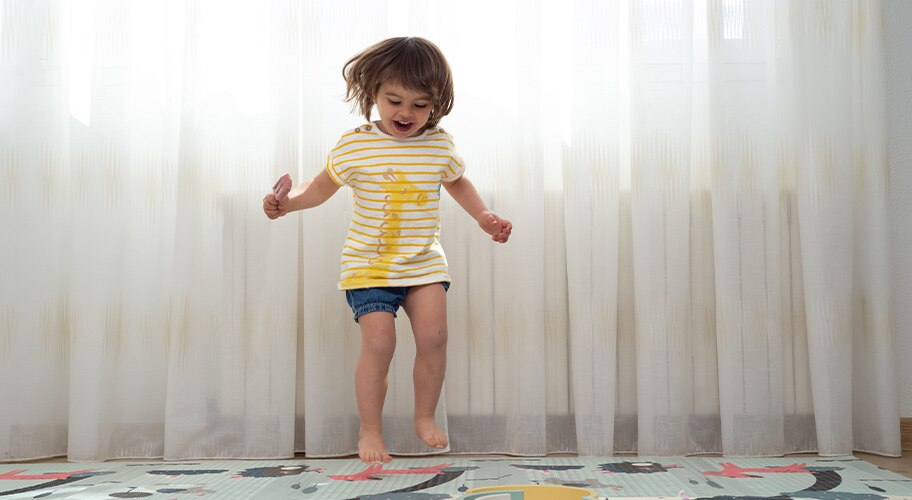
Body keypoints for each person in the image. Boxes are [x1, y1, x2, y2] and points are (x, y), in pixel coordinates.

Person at [263, 37, 512, 464]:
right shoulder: (356, 144)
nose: (406, 114)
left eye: (420, 105)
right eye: (394, 100)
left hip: (423, 262)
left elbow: (457, 182)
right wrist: (287, 204)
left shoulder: (438, 144)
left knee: (434, 336)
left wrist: (483, 216)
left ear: (436, 104)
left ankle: (424, 416)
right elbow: (320, 187)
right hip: (368, 266)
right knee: (379, 343)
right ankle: (370, 428)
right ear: (373, 92)